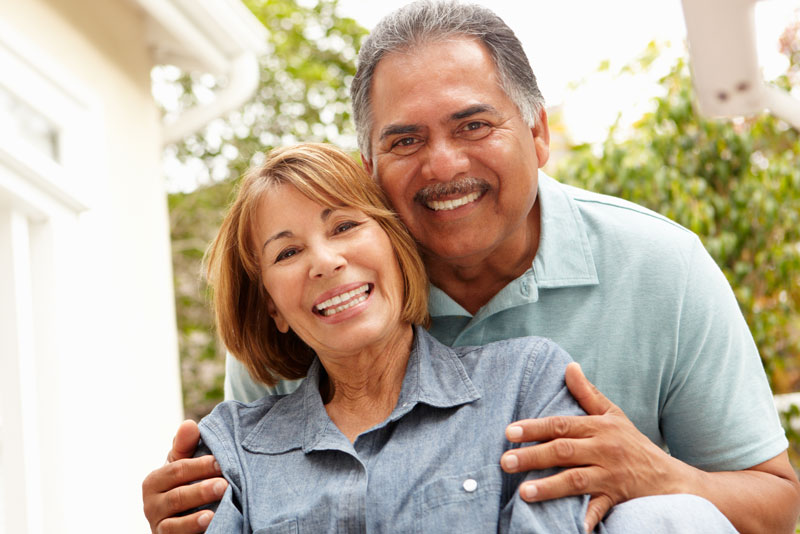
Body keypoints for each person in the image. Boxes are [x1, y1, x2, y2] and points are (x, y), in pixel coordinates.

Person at [142, 2, 800, 533]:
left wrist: (656, 472)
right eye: (405, 140)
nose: (443, 165)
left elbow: (776, 503)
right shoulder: (333, 298)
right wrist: (190, 511)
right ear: (370, 169)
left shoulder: (658, 267)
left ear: (539, 134)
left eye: (473, 125)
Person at [194, 142, 735, 533]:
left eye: (345, 226)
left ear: (395, 246)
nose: (325, 261)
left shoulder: (527, 383)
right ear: (272, 306)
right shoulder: (231, 446)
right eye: (287, 253)